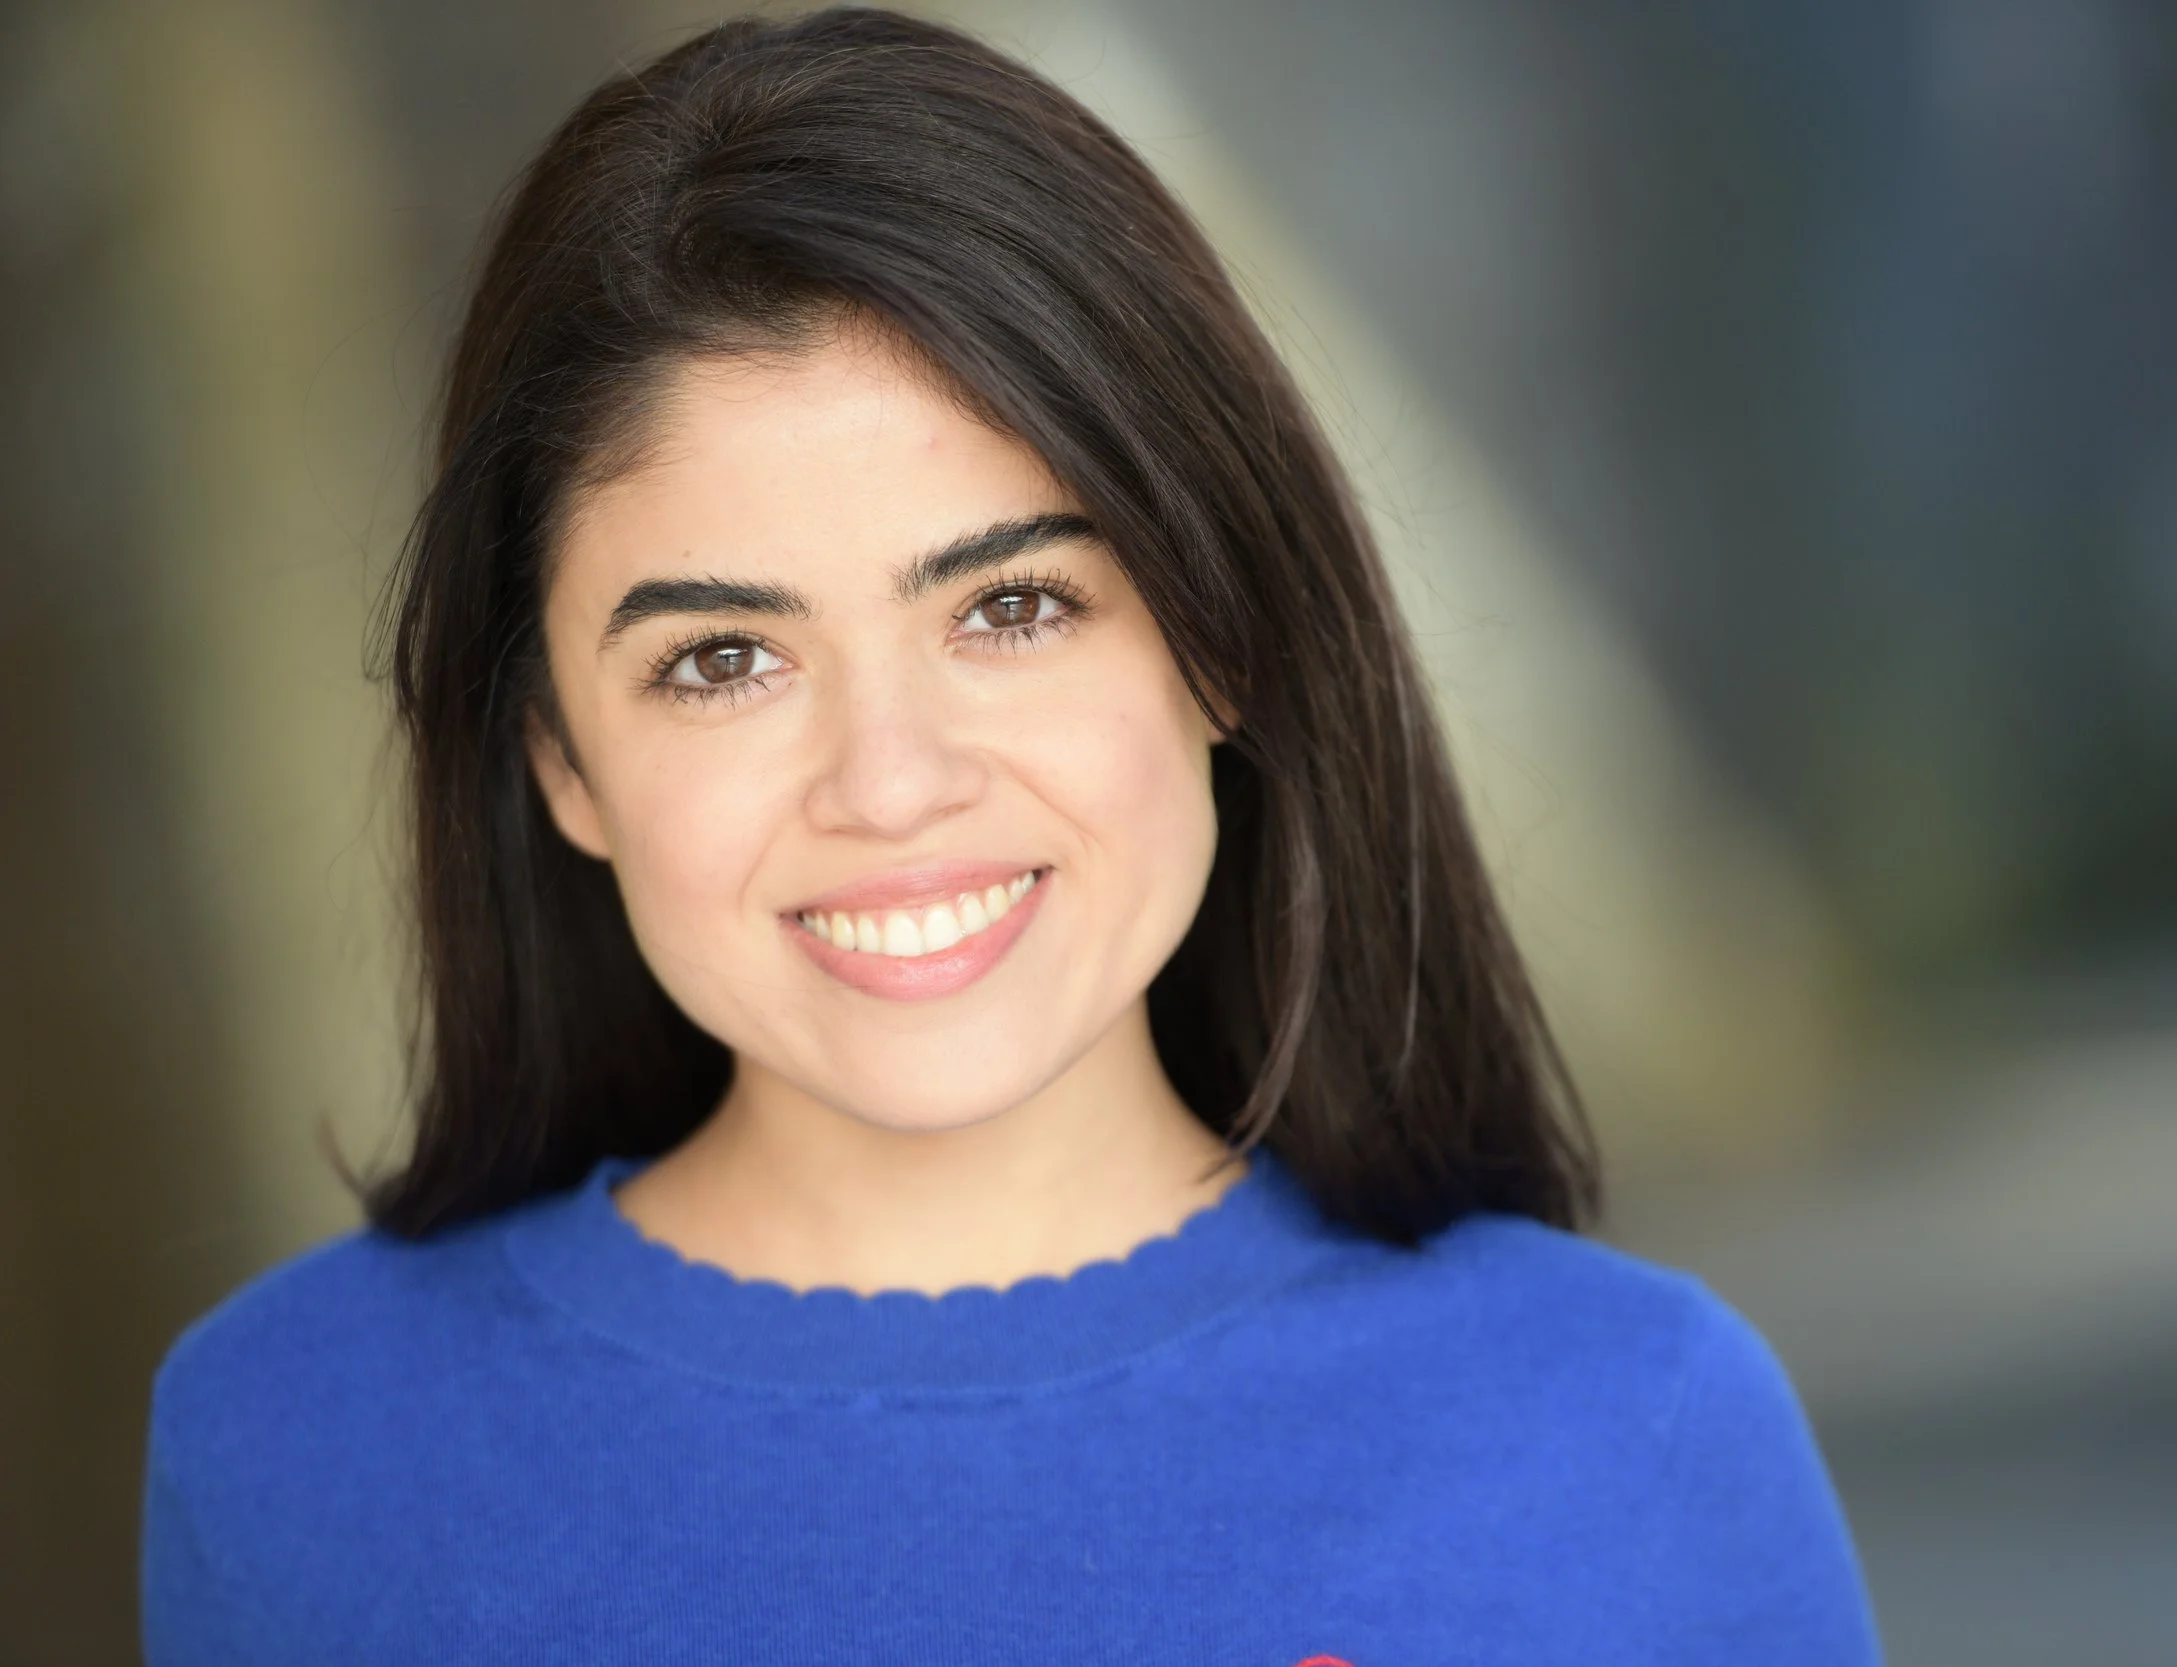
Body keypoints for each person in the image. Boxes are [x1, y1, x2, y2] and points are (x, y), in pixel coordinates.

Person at [140, 8, 1881, 1662]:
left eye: (1014, 607)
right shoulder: (298, 1453)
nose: (891, 782)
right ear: (560, 761)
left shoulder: (1631, 1433)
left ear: (1222, 641)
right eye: (724, 659)